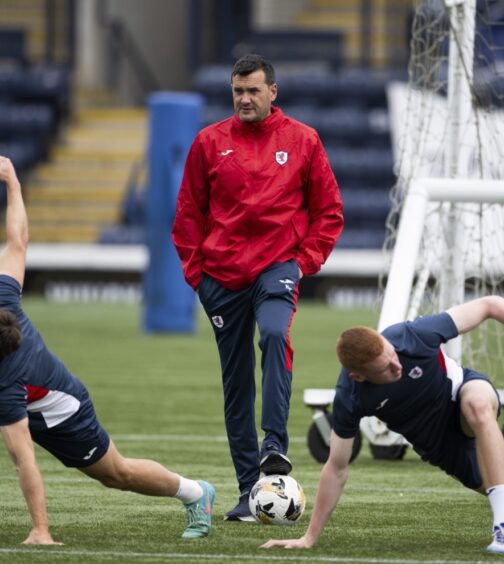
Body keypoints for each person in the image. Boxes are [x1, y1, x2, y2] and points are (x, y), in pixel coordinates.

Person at [0, 155, 215, 543]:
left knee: (116, 474)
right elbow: (18, 241)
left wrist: (41, 529)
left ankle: (195, 492)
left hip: (62, 413)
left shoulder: (6, 384)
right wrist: (13, 184)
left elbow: (23, 459)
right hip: (8, 390)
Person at [261, 296, 504, 555]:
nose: (396, 364)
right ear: (358, 376)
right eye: (386, 367)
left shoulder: (411, 335)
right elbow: (335, 469)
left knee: (478, 407)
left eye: (393, 356)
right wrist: (309, 537)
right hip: (440, 444)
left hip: (462, 393)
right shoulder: (350, 397)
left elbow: (490, 305)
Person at [172, 54, 344, 521]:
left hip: (277, 268)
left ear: (273, 92)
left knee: (273, 334)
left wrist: (302, 263)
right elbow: (188, 213)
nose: (245, 99)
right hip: (221, 278)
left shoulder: (303, 140)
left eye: (253, 90)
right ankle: (251, 491)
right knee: (236, 386)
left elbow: (329, 211)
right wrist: (197, 277)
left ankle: (274, 448)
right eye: (237, 91)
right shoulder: (209, 143)